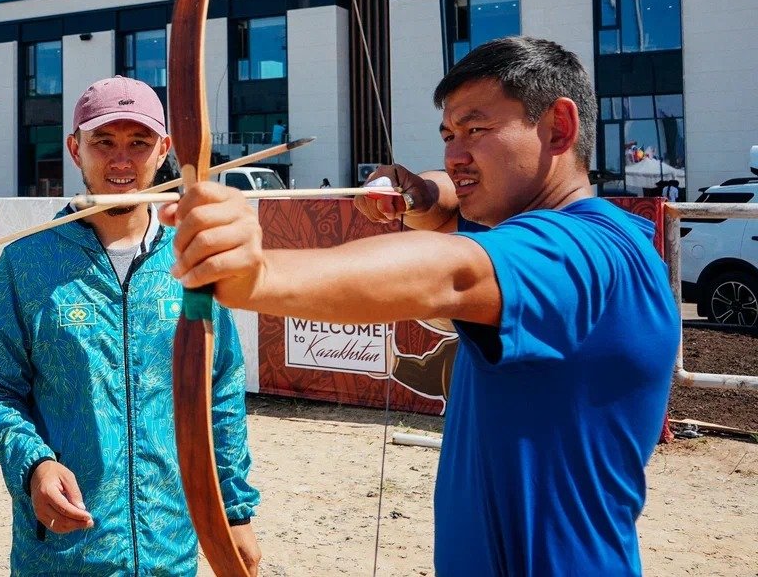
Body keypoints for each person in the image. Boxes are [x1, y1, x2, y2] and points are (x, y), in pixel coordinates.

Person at [160, 37, 678, 576]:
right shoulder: (578, 232)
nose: (455, 154)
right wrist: (419, 195)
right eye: (449, 135)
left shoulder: (582, 252)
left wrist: (258, 274)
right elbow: (448, 210)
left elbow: (452, 273)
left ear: (560, 128)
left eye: (477, 130)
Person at [0, 75, 261, 576]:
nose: (121, 161)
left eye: (139, 142)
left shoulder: (191, 258)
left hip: (171, 546)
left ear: (164, 148)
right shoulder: (26, 263)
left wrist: (233, 511)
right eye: (103, 142)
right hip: (62, 550)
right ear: (74, 148)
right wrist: (34, 465)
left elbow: (221, 392)